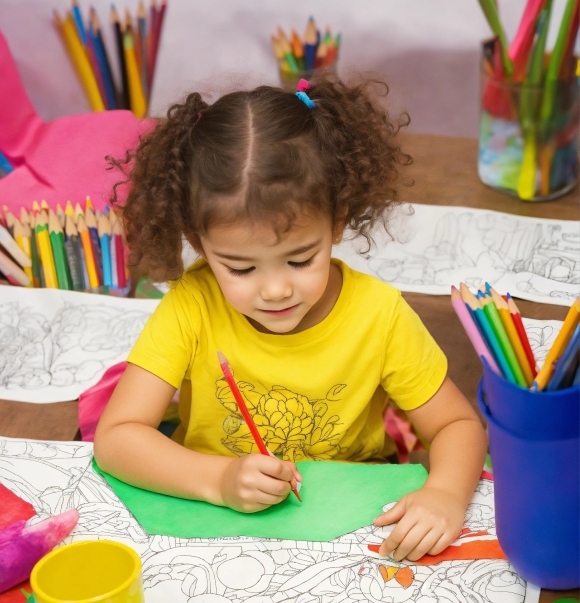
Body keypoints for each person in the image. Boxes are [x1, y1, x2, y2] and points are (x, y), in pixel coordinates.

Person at [95, 76, 487, 562]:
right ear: (198, 243)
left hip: (353, 534)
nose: (276, 289)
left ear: (337, 220)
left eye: (300, 260)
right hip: (218, 536)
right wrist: (217, 479)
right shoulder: (192, 304)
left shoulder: (380, 316)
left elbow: (458, 426)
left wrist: (445, 495)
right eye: (240, 268)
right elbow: (115, 439)